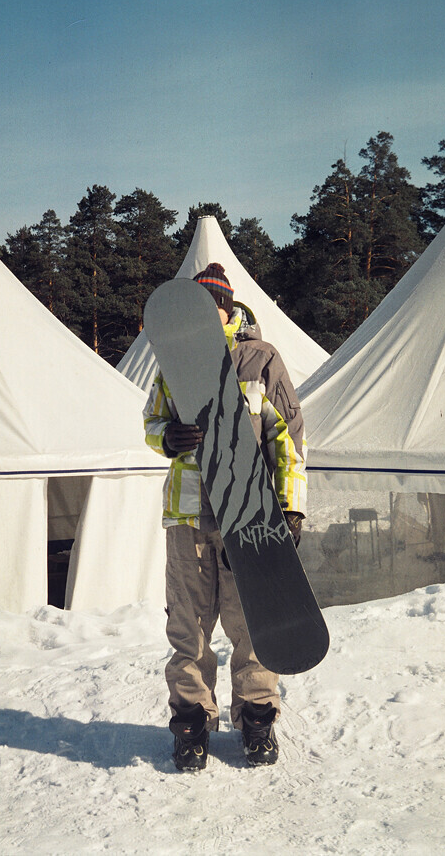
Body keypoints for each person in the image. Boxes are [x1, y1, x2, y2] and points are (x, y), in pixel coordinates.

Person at [144, 263, 307, 771]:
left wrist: (291, 506)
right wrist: (165, 438)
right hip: (189, 517)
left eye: (209, 306)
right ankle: (192, 725)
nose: (203, 316)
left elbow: (289, 439)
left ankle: (257, 721)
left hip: (248, 516)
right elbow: (152, 422)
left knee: (253, 624)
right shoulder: (172, 360)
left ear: (226, 308)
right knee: (188, 629)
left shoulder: (260, 360)